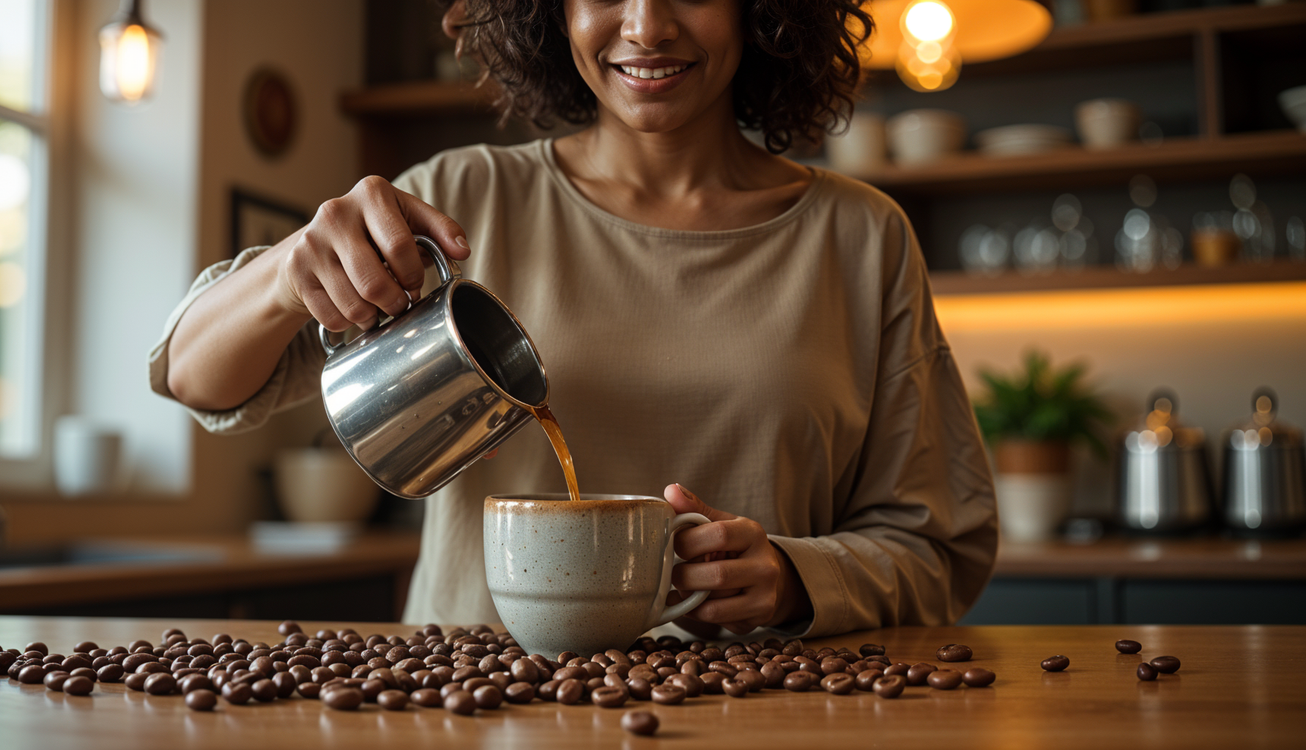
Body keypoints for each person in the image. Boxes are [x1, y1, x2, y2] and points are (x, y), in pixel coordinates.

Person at [151, 0, 997, 638]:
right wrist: (281, 275)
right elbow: (193, 376)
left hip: (759, 715)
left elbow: (941, 547)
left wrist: (799, 576)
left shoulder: (862, 235)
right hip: (468, 715)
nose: (645, 24)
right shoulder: (458, 201)